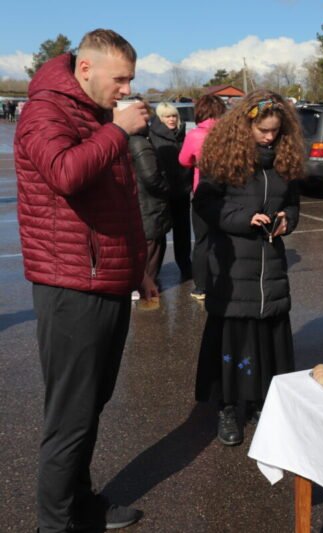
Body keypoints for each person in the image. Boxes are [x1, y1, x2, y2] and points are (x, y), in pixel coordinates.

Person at [15, 28, 155, 532]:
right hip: (70, 285)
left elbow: (121, 204)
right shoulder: (45, 111)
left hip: (108, 279)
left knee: (91, 405)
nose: (127, 89)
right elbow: (65, 173)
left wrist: (140, 269)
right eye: (120, 79)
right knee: (69, 418)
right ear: (86, 69)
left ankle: (82, 505)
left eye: (131, 80)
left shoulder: (95, 114)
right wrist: (117, 131)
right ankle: (54, 525)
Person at [193, 90, 303, 446]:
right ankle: (226, 407)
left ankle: (258, 401)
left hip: (269, 266)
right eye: (263, 130)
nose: (270, 137)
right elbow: (205, 203)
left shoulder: (284, 160)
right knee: (232, 339)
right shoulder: (224, 158)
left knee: (266, 338)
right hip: (233, 264)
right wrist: (243, 219)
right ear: (246, 126)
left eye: (275, 131)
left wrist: (287, 219)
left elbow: (293, 203)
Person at [179, 94, 227, 300]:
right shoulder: (228, 134)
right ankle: (224, 281)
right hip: (228, 192)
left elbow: (183, 160)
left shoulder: (194, 135)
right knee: (225, 237)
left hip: (203, 191)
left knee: (202, 241)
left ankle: (201, 287)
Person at [130, 101, 172, 288]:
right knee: (151, 250)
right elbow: (151, 178)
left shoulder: (131, 140)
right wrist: (167, 188)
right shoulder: (140, 143)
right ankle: (146, 291)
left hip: (142, 203)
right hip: (149, 205)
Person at [150, 101, 193, 281]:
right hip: (162, 194)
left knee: (183, 233)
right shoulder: (152, 137)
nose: (172, 119)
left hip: (182, 192)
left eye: (174, 116)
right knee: (159, 234)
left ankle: (185, 266)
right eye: (167, 116)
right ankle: (153, 272)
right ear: (160, 118)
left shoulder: (183, 135)